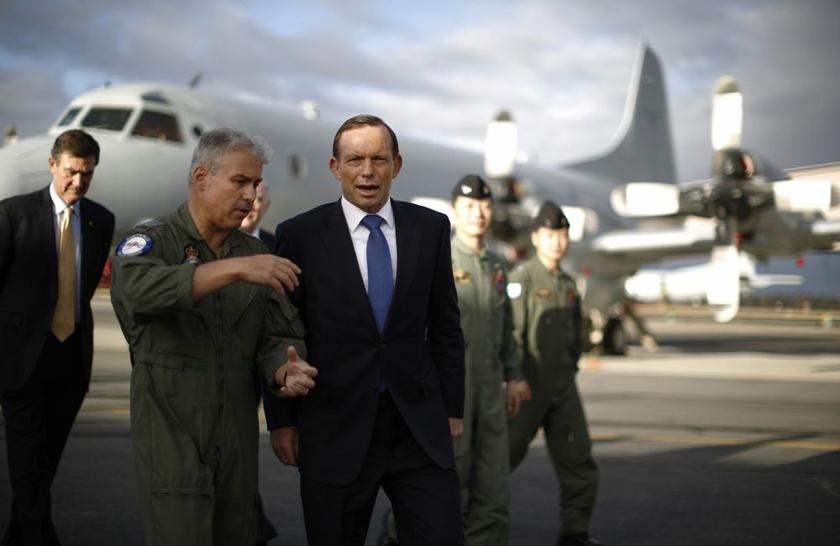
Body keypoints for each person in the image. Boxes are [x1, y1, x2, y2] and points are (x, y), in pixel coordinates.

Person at [263, 115, 466, 546]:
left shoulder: (430, 229)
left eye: (378, 159)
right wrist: (281, 420)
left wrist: (452, 409)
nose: (368, 171)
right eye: (355, 160)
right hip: (334, 428)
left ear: (397, 164)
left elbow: (447, 327)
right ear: (336, 168)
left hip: (417, 428)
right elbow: (278, 332)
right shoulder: (298, 235)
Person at [110, 128, 317, 546]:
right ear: (201, 178)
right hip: (173, 429)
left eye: (256, 184)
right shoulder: (153, 240)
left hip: (237, 438)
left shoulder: (254, 254)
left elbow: (278, 332)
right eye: (240, 182)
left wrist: (284, 369)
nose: (250, 195)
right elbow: (136, 291)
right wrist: (234, 271)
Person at [0, 129, 115, 544]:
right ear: (53, 165)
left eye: (87, 174)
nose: (78, 182)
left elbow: (83, 290)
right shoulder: (13, 214)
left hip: (69, 365)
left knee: (42, 470)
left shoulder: (101, 220)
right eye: (71, 172)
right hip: (21, 365)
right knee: (28, 468)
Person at [507, 201, 601, 546]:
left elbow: (574, 337)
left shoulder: (569, 285)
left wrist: (570, 370)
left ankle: (575, 533)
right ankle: (465, 524)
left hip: (563, 387)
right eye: (550, 234)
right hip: (527, 388)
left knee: (579, 463)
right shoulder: (523, 279)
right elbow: (512, 334)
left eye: (562, 235)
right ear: (536, 237)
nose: (557, 241)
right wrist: (514, 378)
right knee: (497, 461)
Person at [239, 176, 280, 546]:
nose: (253, 204)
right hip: (229, 367)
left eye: (260, 200)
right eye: (249, 197)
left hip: (263, 367)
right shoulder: (216, 245)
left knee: (242, 451)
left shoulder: (276, 247)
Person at [241, 180, 276, 248]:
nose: (250, 206)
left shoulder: (275, 245)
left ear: (266, 207)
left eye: (258, 200)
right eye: (246, 199)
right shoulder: (218, 240)